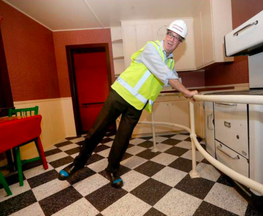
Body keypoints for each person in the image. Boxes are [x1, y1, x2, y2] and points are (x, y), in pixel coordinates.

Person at [58, 20, 198, 188]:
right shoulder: (151, 47)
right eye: (170, 34)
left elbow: (173, 77)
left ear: (180, 43)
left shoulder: (170, 62)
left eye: (177, 38)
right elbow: (165, 74)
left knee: (123, 140)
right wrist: (186, 92)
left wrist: (188, 92)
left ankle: (112, 169)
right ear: (166, 34)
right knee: (97, 131)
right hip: (120, 95)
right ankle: (78, 164)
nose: (171, 40)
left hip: (137, 105)